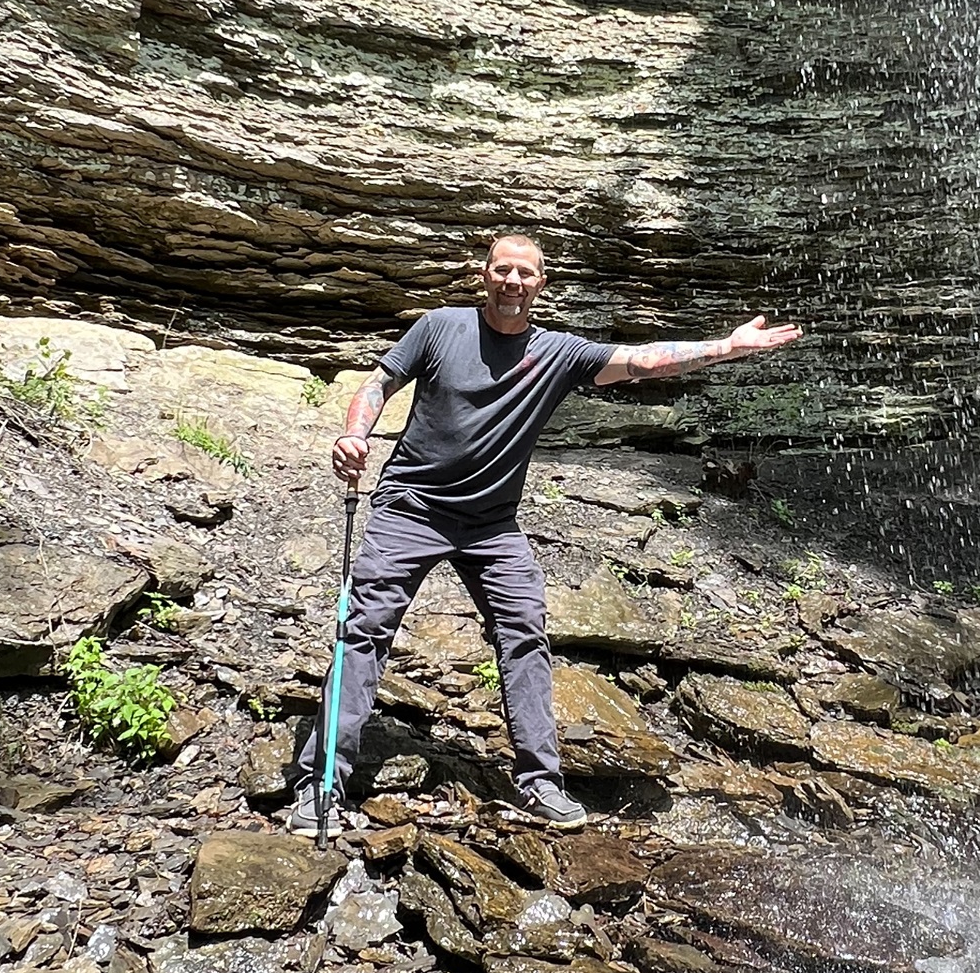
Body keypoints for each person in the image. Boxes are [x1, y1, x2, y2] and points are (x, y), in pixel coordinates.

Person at [286, 233, 801, 834]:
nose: (512, 281)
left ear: (541, 284)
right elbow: (377, 385)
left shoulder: (558, 352)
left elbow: (642, 359)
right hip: (410, 508)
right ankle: (319, 785)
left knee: (525, 632)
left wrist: (727, 348)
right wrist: (354, 433)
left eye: (525, 273)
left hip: (492, 526)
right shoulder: (439, 327)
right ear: (484, 275)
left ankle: (540, 784)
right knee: (365, 629)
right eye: (502, 270)